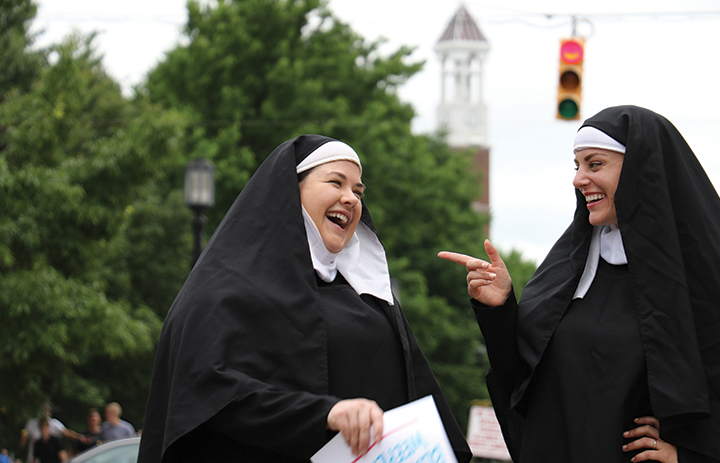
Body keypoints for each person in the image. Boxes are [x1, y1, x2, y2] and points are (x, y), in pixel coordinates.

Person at [439, 105, 720, 463]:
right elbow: (522, 386)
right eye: (576, 165)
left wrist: (688, 455)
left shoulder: (704, 280)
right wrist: (499, 308)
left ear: (642, 170)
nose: (578, 178)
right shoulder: (565, 272)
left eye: (595, 164)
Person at [137, 135, 471, 463]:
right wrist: (327, 413)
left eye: (358, 191)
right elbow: (207, 393)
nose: (352, 198)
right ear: (290, 191)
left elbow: (415, 397)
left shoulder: (369, 299)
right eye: (336, 183)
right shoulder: (226, 288)